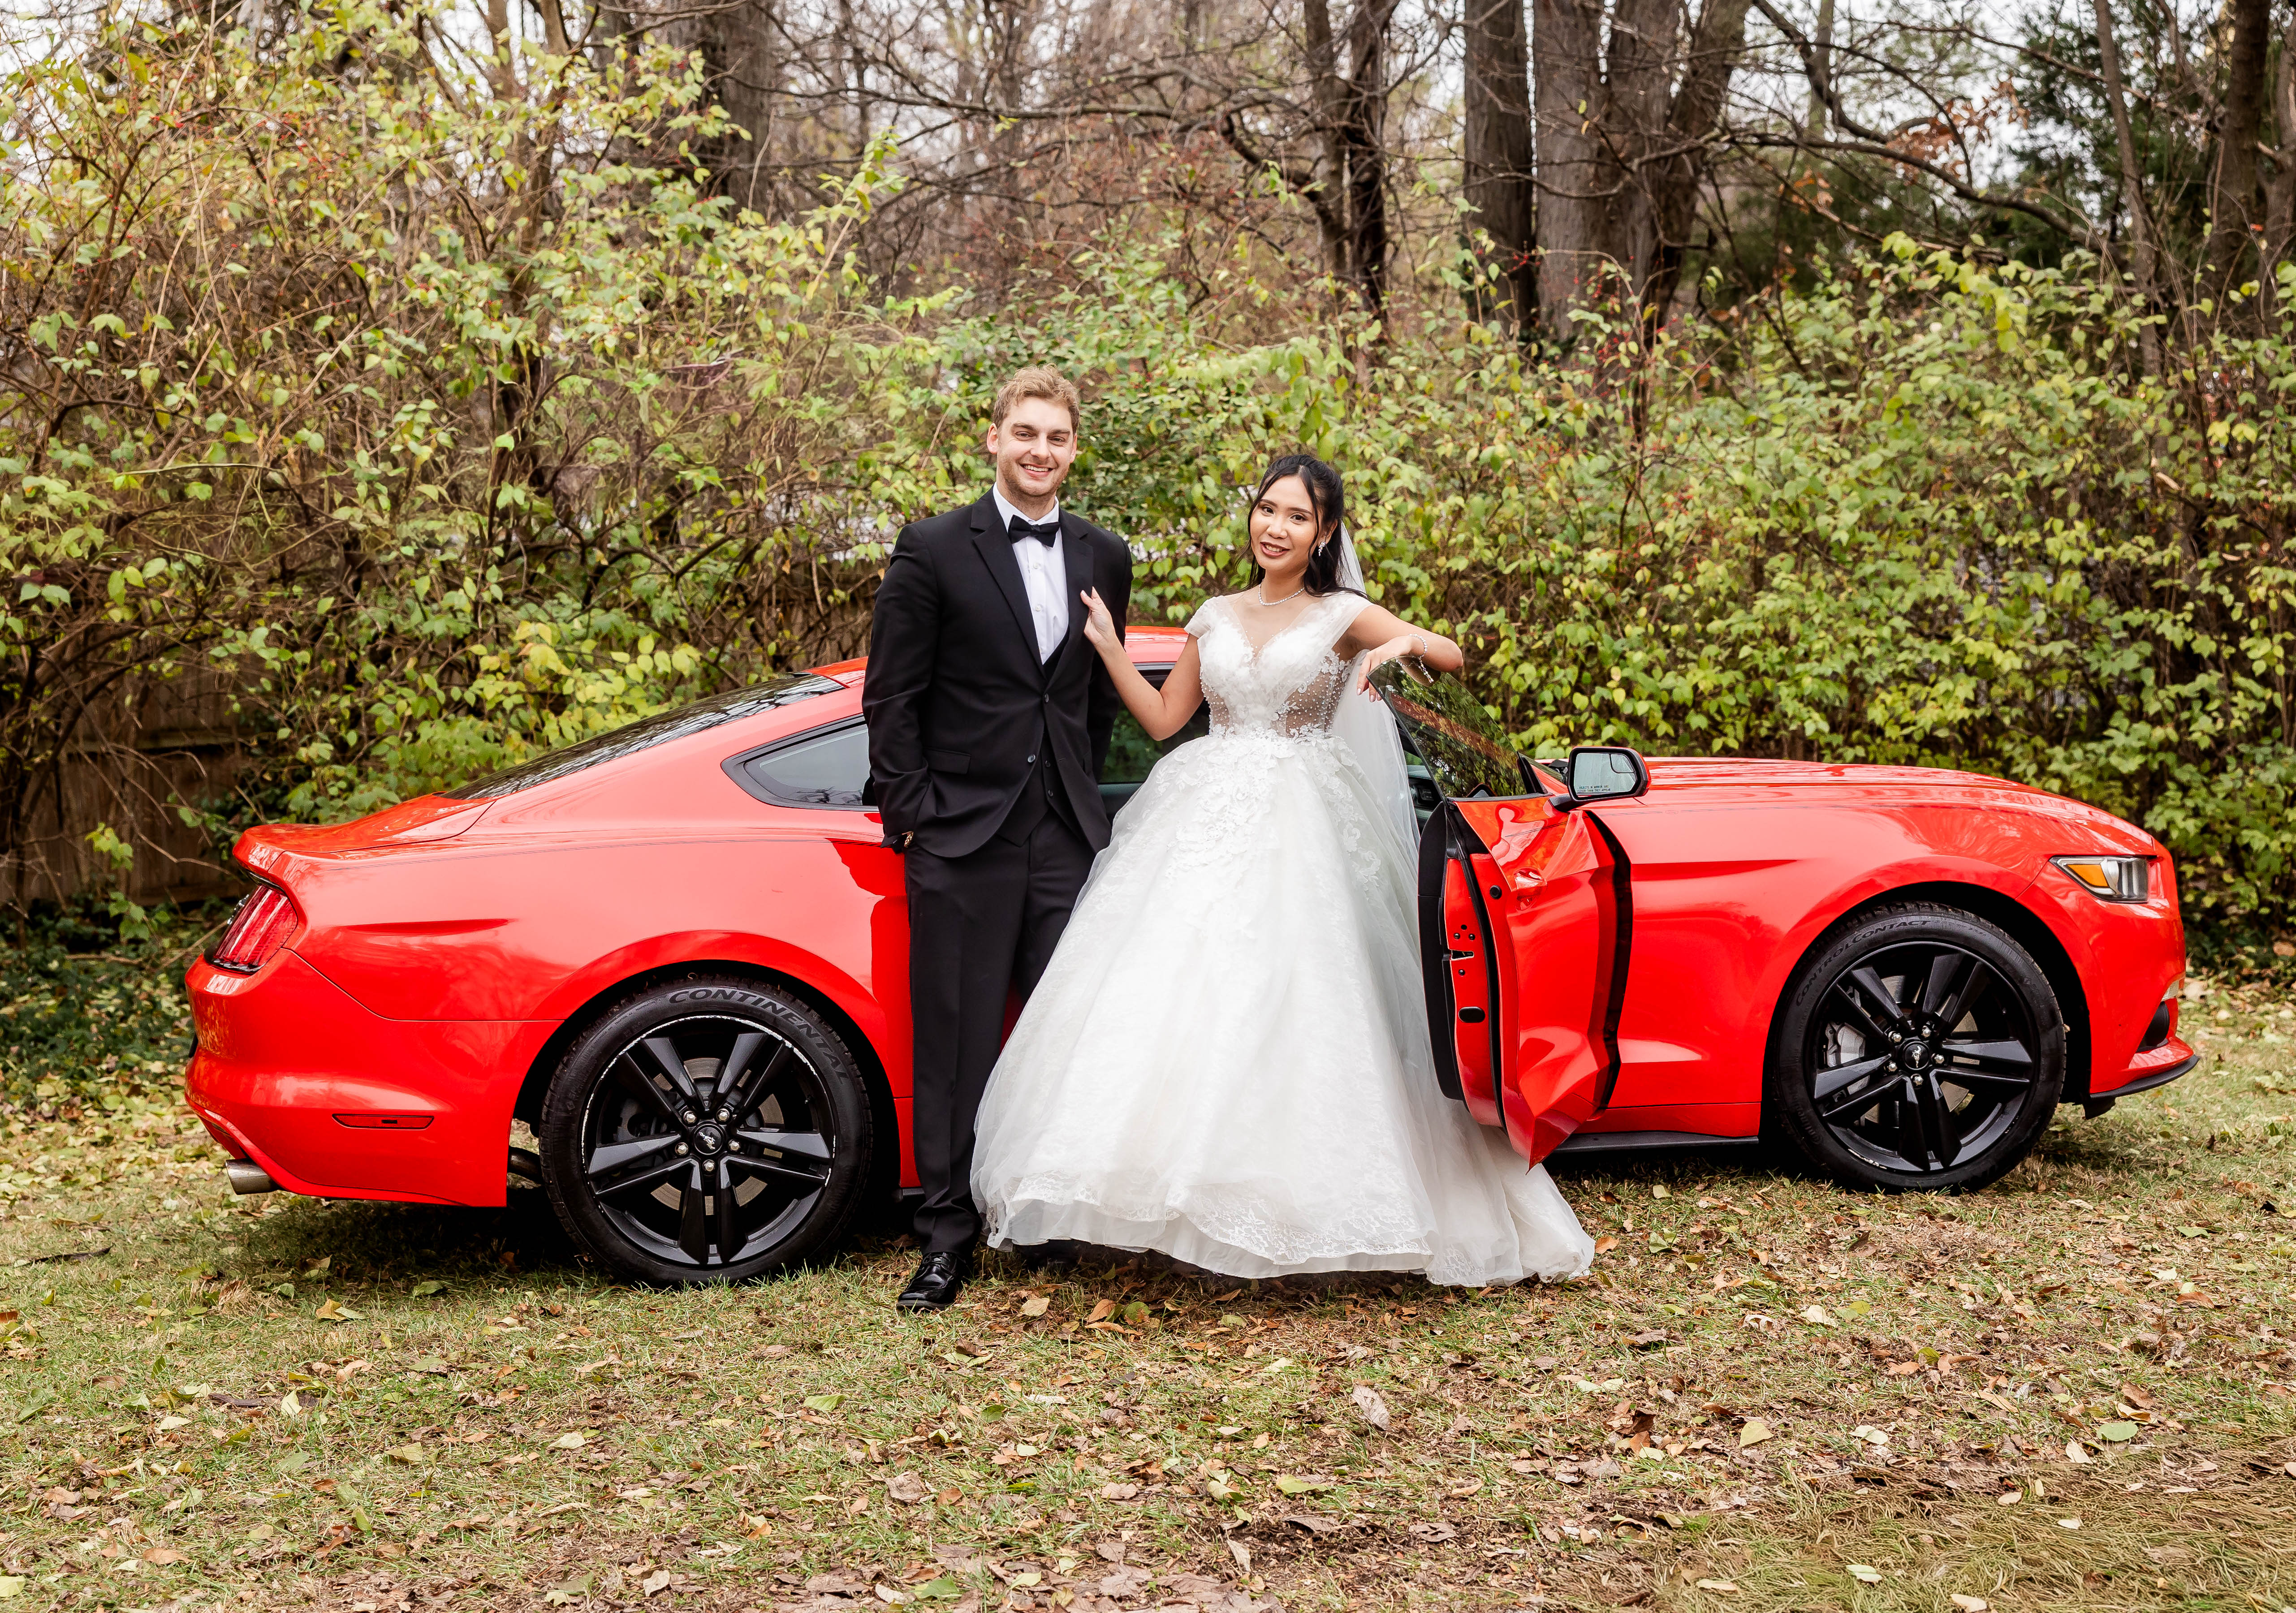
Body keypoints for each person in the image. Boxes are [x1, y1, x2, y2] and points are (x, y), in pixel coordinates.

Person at [969, 453, 1593, 1285]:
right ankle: (1178, 1193)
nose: (1276, 527)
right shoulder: (1215, 615)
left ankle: (1314, 1201)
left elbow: (1448, 655)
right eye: (1268, 510)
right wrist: (1113, 649)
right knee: (1180, 993)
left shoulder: (1342, 613)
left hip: (1308, 824)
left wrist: (1400, 642)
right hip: (1201, 815)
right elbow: (1165, 719)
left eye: (1298, 517)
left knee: (1304, 994)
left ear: (1324, 533)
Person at [863, 367, 1133, 1311]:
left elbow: (1093, 701)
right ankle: (945, 1238)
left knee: (1064, 1034)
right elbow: (892, 695)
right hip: (961, 835)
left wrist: (1081, 802)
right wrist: (915, 815)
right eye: (1025, 433)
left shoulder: (1106, 555)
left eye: (1056, 437)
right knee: (956, 1041)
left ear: (1074, 450)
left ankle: (1045, 1219)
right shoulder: (934, 547)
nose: (1040, 451)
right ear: (994, 439)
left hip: (1064, 837)